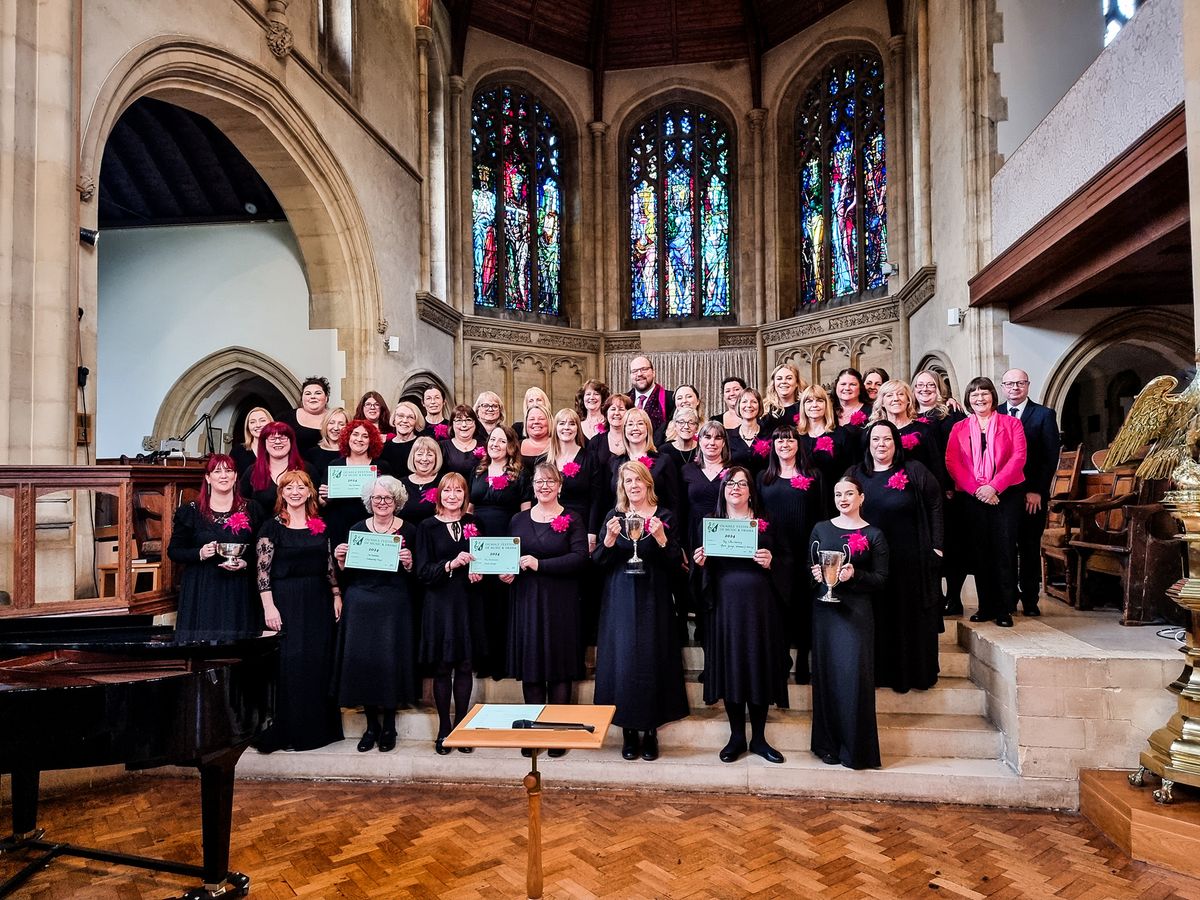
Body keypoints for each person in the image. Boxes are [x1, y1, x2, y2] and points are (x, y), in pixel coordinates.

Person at [593, 461, 689, 761]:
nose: (633, 486)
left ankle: (650, 731)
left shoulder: (665, 516)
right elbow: (598, 563)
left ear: (648, 484)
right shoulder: (614, 516)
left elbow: (677, 565)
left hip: (654, 596)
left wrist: (662, 539)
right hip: (620, 596)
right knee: (623, 662)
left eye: (637, 480)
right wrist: (608, 541)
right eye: (627, 481)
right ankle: (628, 732)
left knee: (651, 660)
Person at [694, 465, 789, 764]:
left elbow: (789, 559)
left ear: (751, 490)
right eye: (730, 484)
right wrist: (700, 563)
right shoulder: (710, 524)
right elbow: (700, 578)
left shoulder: (767, 523)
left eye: (742, 483)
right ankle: (737, 737)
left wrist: (772, 560)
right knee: (732, 667)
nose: (736, 488)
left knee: (757, 667)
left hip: (760, 608)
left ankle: (759, 738)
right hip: (725, 607)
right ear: (723, 491)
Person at [850, 420, 944, 693]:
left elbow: (935, 503)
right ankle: (880, 674)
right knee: (878, 617)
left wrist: (937, 546)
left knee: (908, 617)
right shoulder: (856, 474)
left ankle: (911, 675)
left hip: (909, 558)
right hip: (869, 561)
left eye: (887, 439)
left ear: (896, 443)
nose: (881, 445)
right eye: (876, 440)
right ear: (868, 445)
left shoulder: (914, 470)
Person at [253, 470, 343, 753]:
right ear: (282, 494)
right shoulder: (272, 527)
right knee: (290, 664)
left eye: (301, 487)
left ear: (309, 492)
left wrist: (336, 595)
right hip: (285, 599)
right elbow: (262, 572)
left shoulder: (320, 526)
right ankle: (288, 730)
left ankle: (316, 731)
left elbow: (328, 565)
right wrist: (269, 606)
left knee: (317, 661)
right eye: (289, 487)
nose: (295, 491)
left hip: (317, 599)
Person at [502, 463, 589, 756]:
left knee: (559, 667)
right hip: (526, 598)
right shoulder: (518, 519)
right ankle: (534, 731)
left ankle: (556, 731)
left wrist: (541, 565)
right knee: (532, 667)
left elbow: (579, 559)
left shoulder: (573, 518)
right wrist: (507, 571)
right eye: (540, 481)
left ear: (560, 486)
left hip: (561, 601)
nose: (544, 486)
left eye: (550, 482)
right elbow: (509, 557)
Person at [332, 476, 418, 754]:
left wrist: (409, 563)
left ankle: (390, 725)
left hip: (394, 604)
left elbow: (420, 576)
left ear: (397, 502)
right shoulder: (357, 529)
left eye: (388, 499)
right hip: (362, 603)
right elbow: (348, 573)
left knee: (390, 661)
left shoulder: (411, 531)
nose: (382, 503)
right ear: (370, 502)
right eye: (377, 498)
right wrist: (342, 562)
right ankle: (371, 726)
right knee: (365, 663)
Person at [808, 475, 889, 770]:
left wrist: (856, 575)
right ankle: (827, 745)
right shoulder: (820, 529)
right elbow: (810, 567)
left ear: (861, 497)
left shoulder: (875, 534)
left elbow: (882, 579)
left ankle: (856, 749)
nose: (843, 498)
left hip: (856, 615)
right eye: (838, 493)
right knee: (826, 678)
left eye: (849, 493)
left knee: (854, 680)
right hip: (825, 614)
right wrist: (816, 576)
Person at [945, 376, 1027, 627]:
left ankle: (1004, 609)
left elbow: (1018, 458)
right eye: (974, 395)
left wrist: (994, 486)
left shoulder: (1011, 424)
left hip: (1006, 495)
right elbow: (952, 461)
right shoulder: (959, 427)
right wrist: (977, 489)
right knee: (980, 553)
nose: (979, 398)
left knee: (1003, 551)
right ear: (969, 400)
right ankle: (986, 606)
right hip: (972, 497)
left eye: (984, 394)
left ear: (993, 396)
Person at [417, 473, 485, 755]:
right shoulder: (427, 527)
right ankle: (444, 727)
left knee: (466, 666)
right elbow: (422, 571)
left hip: (468, 602)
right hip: (440, 604)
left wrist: (480, 571)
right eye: (448, 491)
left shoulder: (474, 524)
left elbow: (485, 556)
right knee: (443, 667)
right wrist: (450, 564)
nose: (453, 496)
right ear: (439, 495)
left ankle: (461, 726)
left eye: (459, 491)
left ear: (465, 495)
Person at [167, 454, 264, 639]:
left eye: (228, 471)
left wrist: (245, 562)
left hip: (239, 589)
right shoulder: (191, 511)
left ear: (236, 476)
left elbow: (261, 549)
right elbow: (174, 551)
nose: (223, 476)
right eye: (217, 471)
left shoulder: (252, 509)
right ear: (208, 478)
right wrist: (200, 553)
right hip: (202, 587)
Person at [757, 425, 826, 683]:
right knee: (779, 605)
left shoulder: (814, 475)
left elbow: (822, 515)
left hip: (806, 550)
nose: (784, 445)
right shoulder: (764, 477)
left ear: (799, 444)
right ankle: (782, 658)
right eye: (778, 441)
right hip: (775, 553)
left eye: (789, 440)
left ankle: (804, 659)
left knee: (805, 606)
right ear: (773, 446)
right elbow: (758, 516)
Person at [999, 368, 1062, 617]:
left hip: (1031, 495)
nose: (1015, 387)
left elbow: (1049, 456)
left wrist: (1036, 490)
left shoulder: (1044, 415)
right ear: (1003, 387)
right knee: (1005, 547)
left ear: (1027, 385)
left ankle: (1030, 598)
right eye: (1010, 383)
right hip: (1004, 495)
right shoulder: (997, 413)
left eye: (1020, 383)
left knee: (1028, 546)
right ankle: (1008, 596)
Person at [470, 424, 530, 678]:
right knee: (481, 603)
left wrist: (515, 556)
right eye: (492, 439)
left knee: (501, 605)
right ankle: (482, 662)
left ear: (510, 446)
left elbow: (526, 514)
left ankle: (502, 663)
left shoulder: (520, 474)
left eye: (501, 440)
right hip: (481, 545)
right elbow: (469, 509)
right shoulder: (477, 471)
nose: (495, 444)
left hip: (507, 541)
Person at [913, 370, 969, 616]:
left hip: (946, 489)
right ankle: (935, 596)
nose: (925, 389)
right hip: (917, 490)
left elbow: (959, 452)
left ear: (939, 388)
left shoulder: (951, 413)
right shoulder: (910, 415)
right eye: (920, 385)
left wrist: (949, 485)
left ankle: (954, 597)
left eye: (930, 385)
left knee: (952, 545)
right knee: (926, 545)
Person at [319, 419, 389, 547]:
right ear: (348, 437)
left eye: (365, 436)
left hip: (371, 525)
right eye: (355, 434)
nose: (359, 439)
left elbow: (391, 499)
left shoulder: (382, 466)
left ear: (371, 440)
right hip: (339, 525)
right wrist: (326, 497)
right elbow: (322, 502)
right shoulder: (335, 465)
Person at [870, 379, 946, 485]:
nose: (896, 399)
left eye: (900, 394)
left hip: (918, 489)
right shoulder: (872, 432)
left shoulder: (924, 430)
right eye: (889, 395)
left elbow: (936, 466)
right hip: (882, 488)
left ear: (908, 400)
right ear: (882, 402)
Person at [611, 407, 679, 515]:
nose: (635, 428)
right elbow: (607, 500)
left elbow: (674, 501)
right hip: (622, 523)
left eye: (640, 424)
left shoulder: (664, 460)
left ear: (648, 428)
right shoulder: (615, 462)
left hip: (658, 523)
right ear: (624, 430)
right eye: (630, 424)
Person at [239, 421, 311, 513]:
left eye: (283, 438)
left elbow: (315, 503)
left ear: (291, 441)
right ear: (264, 443)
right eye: (272, 438)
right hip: (260, 526)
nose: (277, 442)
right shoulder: (252, 471)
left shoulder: (306, 469)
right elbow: (241, 502)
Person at [796, 384, 847, 511]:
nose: (814, 405)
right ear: (803, 406)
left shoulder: (841, 434)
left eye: (819, 400)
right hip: (802, 499)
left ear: (826, 405)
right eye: (809, 401)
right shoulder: (795, 436)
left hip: (834, 500)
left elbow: (850, 468)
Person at [399, 435, 444, 525]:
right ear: (413, 457)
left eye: (429, 455)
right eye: (419, 454)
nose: (424, 459)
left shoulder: (444, 482)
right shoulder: (400, 484)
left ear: (436, 458)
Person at [726, 388, 771, 472]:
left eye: (753, 402)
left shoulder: (770, 436)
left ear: (759, 406)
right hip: (738, 484)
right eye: (744, 402)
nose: (749, 405)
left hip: (765, 484)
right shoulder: (728, 437)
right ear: (738, 406)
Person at [627, 355, 674, 435]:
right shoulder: (624, 400)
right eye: (634, 371)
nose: (639, 374)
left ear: (653, 372)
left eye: (644, 369)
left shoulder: (671, 399)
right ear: (631, 376)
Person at [283, 376, 331, 454]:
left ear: (326, 398)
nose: (312, 397)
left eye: (318, 393)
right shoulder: (286, 418)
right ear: (302, 398)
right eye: (308, 394)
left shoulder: (336, 418)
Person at [303, 407, 348, 486]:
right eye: (331, 423)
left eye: (341, 424)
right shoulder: (311, 454)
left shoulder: (352, 453)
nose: (336, 428)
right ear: (325, 425)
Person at [381, 400, 424, 475]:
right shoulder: (384, 448)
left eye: (410, 417)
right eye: (400, 416)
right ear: (394, 420)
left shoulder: (422, 445)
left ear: (416, 421)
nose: (404, 421)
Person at [761, 363, 807, 433]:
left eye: (789, 378)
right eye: (779, 379)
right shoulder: (765, 409)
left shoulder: (804, 407)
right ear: (774, 383)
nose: (783, 382)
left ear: (797, 383)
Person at [441, 404, 482, 478]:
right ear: (452, 424)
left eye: (468, 420)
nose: (464, 425)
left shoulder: (484, 446)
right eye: (459, 420)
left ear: (475, 423)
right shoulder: (442, 447)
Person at [232, 407, 272, 474]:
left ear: (270, 423)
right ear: (248, 427)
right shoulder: (238, 450)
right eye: (252, 422)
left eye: (262, 420)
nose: (258, 425)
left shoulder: (278, 449)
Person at [518, 403, 552, 467]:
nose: (536, 422)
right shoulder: (516, 446)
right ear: (526, 423)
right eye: (532, 419)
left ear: (549, 422)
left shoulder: (558, 444)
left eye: (541, 419)